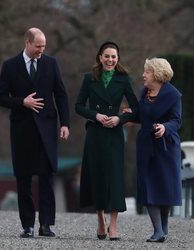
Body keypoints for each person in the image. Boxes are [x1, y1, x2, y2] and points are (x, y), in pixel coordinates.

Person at [0, 27, 70, 238]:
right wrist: (22, 102)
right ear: (27, 43)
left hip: (47, 129)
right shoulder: (10, 66)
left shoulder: (51, 63)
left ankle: (46, 224)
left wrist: (65, 124)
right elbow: (0, 97)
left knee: (47, 178)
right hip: (22, 130)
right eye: (38, 46)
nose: (41, 50)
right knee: (24, 179)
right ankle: (27, 225)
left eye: (44, 46)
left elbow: (61, 95)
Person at [75, 42, 138, 240]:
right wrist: (95, 115)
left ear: (117, 58)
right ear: (100, 57)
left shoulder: (123, 79)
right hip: (95, 134)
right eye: (107, 56)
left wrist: (120, 118)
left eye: (114, 56)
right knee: (98, 176)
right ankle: (100, 219)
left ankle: (113, 226)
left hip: (114, 135)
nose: (110, 60)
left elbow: (136, 108)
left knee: (114, 178)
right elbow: (78, 106)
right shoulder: (89, 78)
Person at [134, 58, 182, 242]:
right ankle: (158, 231)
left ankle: (163, 226)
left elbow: (176, 120)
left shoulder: (173, 95)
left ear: (157, 74)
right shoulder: (144, 92)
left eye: (147, 71)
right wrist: (127, 114)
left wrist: (164, 127)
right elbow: (141, 116)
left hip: (166, 146)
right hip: (146, 144)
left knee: (165, 186)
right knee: (148, 185)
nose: (143, 75)